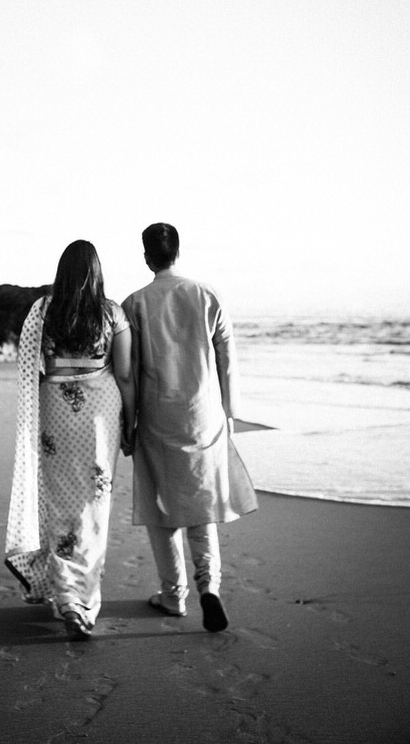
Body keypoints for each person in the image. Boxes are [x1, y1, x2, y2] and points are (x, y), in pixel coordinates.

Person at [122, 222, 257, 633]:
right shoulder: (207, 294)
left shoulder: (135, 303)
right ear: (178, 252)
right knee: (203, 508)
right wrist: (230, 412)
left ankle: (173, 595)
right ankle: (209, 586)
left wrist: (128, 423)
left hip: (156, 415)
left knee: (160, 507)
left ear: (147, 257)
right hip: (204, 415)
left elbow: (129, 370)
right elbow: (227, 359)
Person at [5, 241, 134, 641]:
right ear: (97, 272)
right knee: (94, 509)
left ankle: (66, 598)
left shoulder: (42, 311)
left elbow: (31, 366)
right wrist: (132, 420)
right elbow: (126, 373)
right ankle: (82, 600)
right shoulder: (112, 313)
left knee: (57, 504)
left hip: (55, 410)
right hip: (100, 414)